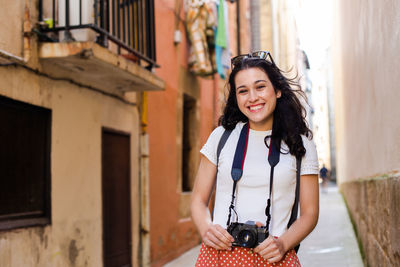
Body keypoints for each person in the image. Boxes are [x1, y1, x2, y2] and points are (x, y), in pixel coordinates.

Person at [191, 51, 319, 266]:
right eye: (243, 91)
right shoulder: (221, 137)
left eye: (260, 87)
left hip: (275, 255)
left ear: (277, 90)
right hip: (218, 256)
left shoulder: (302, 144)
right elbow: (198, 200)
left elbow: (310, 213)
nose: (252, 98)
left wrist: (283, 244)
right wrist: (207, 230)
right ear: (236, 97)